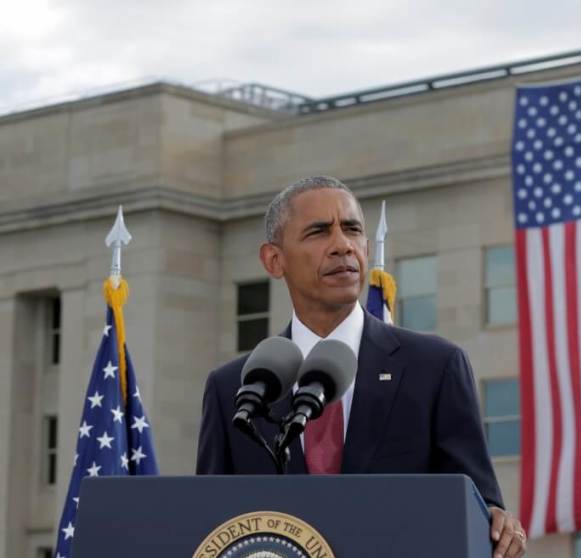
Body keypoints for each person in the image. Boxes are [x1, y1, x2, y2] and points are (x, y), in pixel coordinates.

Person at [196, 176, 527, 558]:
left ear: (367, 247)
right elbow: (212, 528)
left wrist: (499, 523)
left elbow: (479, 513)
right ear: (274, 259)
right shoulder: (234, 389)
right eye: (319, 232)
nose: (342, 246)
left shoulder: (434, 368)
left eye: (352, 230)